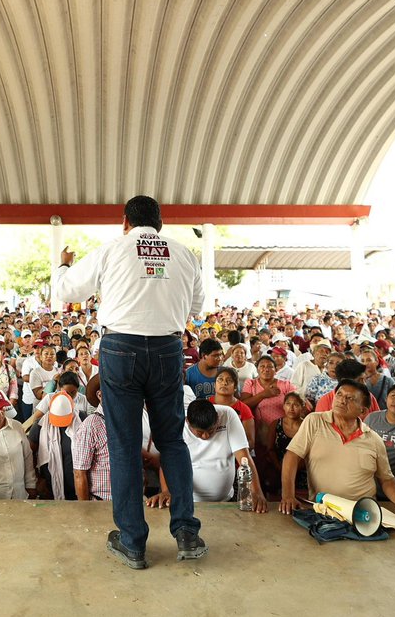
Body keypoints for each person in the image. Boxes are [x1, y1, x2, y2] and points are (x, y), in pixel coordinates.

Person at [53, 195, 206, 570]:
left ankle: (133, 541)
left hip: (120, 347)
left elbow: (65, 292)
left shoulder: (112, 249)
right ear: (160, 225)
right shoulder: (184, 253)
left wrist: (63, 265)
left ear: (125, 222)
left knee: (122, 444)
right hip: (169, 348)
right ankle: (186, 531)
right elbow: (197, 308)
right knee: (171, 439)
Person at [278, 380, 395, 524]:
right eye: (339, 395)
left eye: (350, 398)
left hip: (363, 515)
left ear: (363, 410)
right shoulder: (314, 422)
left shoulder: (373, 439)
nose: (342, 401)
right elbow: (292, 456)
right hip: (323, 512)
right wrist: (288, 495)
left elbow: (386, 479)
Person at [152, 399, 266, 510]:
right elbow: (168, 462)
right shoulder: (177, 423)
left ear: (217, 418)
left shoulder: (228, 415)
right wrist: (166, 491)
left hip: (226, 501)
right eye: (200, 433)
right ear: (188, 422)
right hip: (188, 501)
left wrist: (256, 491)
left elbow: (244, 458)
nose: (206, 436)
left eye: (211, 431)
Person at [207, 367, 254, 449]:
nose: (224, 383)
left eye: (229, 380)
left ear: (235, 387)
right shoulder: (206, 405)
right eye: (220, 379)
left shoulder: (244, 409)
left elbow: (250, 442)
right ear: (214, 385)